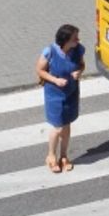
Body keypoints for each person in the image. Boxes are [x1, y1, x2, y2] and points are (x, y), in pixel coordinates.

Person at [36, 24, 85, 173]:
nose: (78, 39)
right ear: (65, 40)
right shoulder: (49, 52)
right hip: (54, 95)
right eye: (74, 38)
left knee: (66, 125)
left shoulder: (78, 49)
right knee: (58, 128)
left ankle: (63, 156)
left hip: (71, 92)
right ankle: (51, 156)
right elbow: (39, 70)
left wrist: (79, 72)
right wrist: (55, 80)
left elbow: (82, 65)